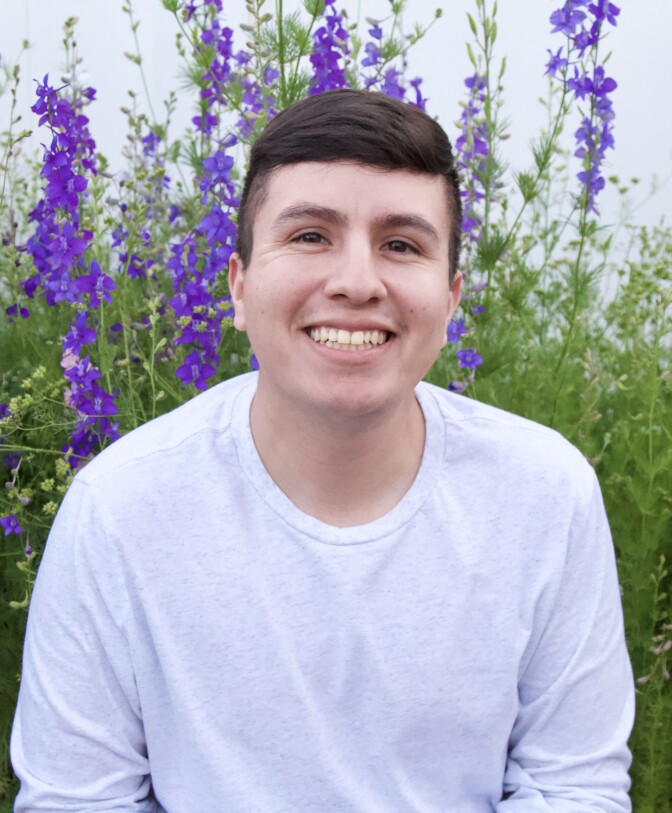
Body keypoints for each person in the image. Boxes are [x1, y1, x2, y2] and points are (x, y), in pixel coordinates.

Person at [11, 89, 634, 812]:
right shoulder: (117, 511)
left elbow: (573, 788)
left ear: (452, 296)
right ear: (239, 286)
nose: (357, 282)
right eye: (310, 235)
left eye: (402, 244)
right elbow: (76, 800)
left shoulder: (546, 494)